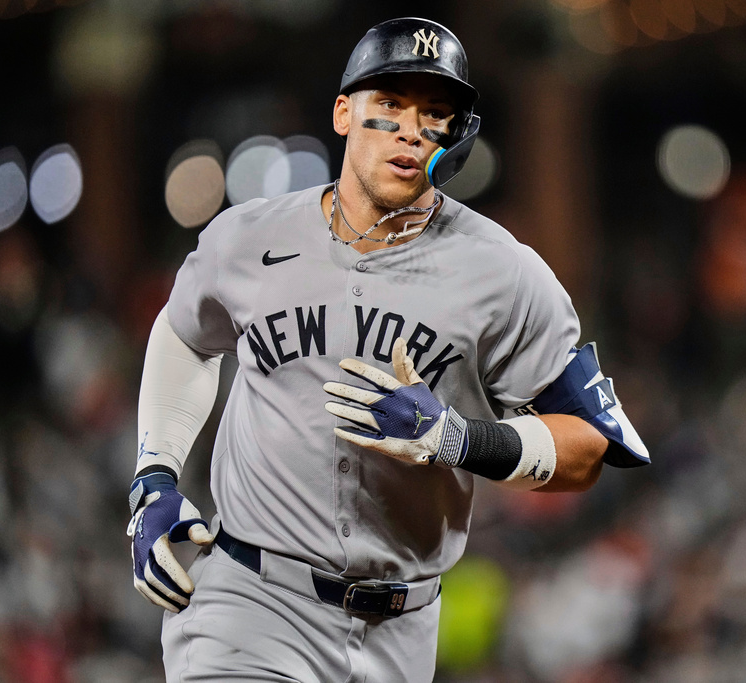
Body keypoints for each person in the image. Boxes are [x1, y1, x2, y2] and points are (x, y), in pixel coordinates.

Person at [126, 16, 650, 682]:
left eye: (435, 114)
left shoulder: (503, 271)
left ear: (457, 138)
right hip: (252, 600)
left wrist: (461, 438)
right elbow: (182, 334)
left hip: (403, 628)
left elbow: (588, 443)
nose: (410, 129)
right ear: (345, 112)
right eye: (391, 106)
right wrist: (154, 476)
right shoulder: (246, 238)